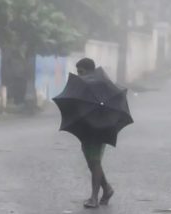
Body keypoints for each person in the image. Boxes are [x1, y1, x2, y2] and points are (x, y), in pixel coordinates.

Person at [76, 58, 114, 208]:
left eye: (81, 72)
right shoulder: (84, 84)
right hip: (87, 128)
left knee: (95, 161)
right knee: (92, 162)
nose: (78, 75)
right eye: (77, 72)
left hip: (98, 128)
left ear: (90, 71)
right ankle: (107, 189)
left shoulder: (99, 84)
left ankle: (94, 198)